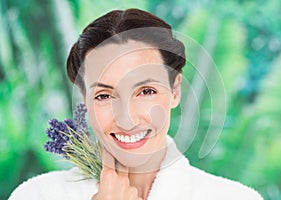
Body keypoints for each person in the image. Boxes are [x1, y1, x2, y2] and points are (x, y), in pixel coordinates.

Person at [9, 8, 263, 200]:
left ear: (175, 91)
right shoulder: (38, 195)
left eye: (146, 91)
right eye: (104, 96)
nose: (126, 118)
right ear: (86, 101)